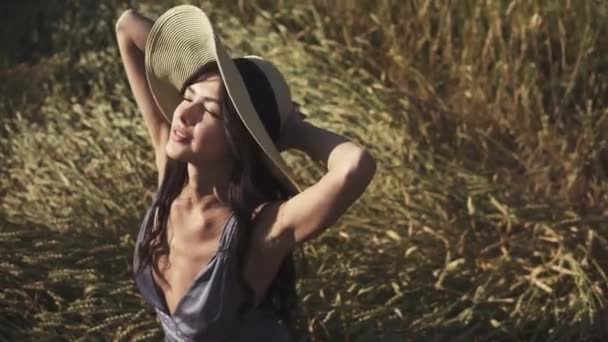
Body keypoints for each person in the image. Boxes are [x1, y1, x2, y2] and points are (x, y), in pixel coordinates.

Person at [115, 5, 376, 341]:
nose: (184, 113)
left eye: (208, 110)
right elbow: (127, 27)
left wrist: (294, 130)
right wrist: (210, 59)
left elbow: (355, 166)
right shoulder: (172, 174)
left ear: (239, 140)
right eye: (188, 95)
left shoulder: (262, 229)